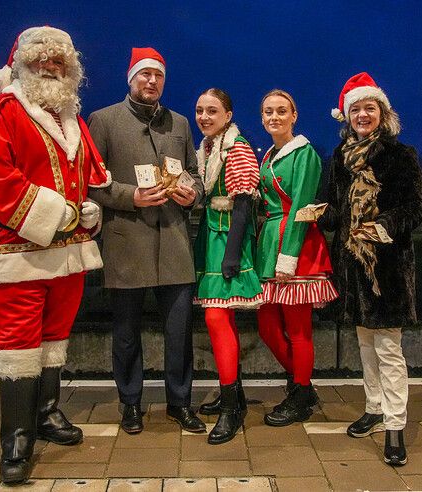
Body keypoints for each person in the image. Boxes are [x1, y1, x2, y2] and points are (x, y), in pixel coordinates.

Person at [0, 26, 111, 484]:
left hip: (70, 253)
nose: (50, 66)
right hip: (19, 250)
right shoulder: (5, 109)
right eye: (42, 59)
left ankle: (46, 412)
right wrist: (58, 213)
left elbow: (85, 179)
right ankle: (16, 438)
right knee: (19, 344)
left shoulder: (71, 118)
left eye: (59, 61)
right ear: (22, 63)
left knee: (55, 336)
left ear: (70, 68)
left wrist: (87, 210)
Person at [87, 47, 206, 435]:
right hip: (127, 243)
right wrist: (130, 196)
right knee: (125, 335)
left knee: (179, 332)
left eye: (158, 75)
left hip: (173, 243)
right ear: (131, 78)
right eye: (145, 75)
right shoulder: (103, 120)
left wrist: (194, 193)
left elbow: (193, 173)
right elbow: (91, 182)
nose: (152, 81)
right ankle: (130, 404)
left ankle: (180, 403)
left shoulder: (181, 124)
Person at [319, 72, 422, 466]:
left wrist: (384, 227)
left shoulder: (401, 155)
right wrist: (318, 214)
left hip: (387, 270)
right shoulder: (340, 158)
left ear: (382, 112)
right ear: (346, 116)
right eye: (356, 110)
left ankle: (395, 425)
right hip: (352, 266)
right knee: (365, 343)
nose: (363, 115)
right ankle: (374, 406)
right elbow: (337, 213)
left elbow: (415, 209)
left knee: (389, 348)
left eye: (370, 108)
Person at [255, 89, 338, 426]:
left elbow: (303, 206)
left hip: (296, 244)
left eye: (281, 111)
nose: (274, 117)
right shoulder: (270, 156)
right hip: (269, 243)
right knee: (267, 326)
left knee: (298, 329)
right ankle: (301, 383)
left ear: (294, 116)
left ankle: (300, 392)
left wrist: (288, 256)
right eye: (267, 112)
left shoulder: (303, 153)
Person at [192, 88, 262, 444]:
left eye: (213, 111)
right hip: (211, 234)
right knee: (223, 319)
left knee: (216, 318)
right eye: (200, 110)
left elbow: (244, 203)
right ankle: (232, 391)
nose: (204, 116)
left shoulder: (236, 147)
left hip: (227, 236)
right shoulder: (207, 148)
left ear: (228, 115)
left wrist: (233, 252)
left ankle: (232, 407)